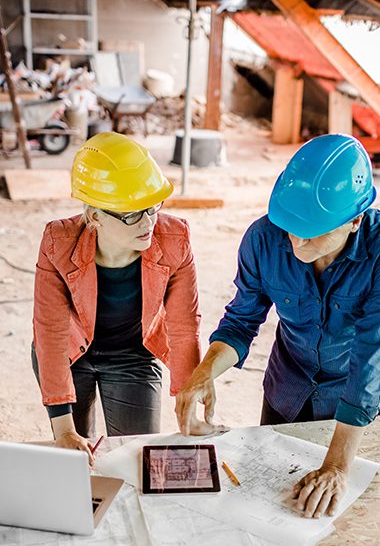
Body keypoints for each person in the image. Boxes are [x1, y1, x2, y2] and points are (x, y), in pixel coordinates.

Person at [175, 133, 380, 518]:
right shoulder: (263, 239)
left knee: (340, 511)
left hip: (357, 404)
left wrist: (338, 465)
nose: (297, 240)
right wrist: (205, 373)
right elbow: (241, 320)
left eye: (314, 229)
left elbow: (372, 358)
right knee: (271, 503)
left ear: (355, 220)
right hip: (288, 388)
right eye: (291, 225)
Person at [32, 132, 201, 464]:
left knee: (133, 458)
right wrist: (64, 431)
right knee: (76, 458)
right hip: (71, 352)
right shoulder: (58, 242)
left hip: (134, 357)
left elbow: (184, 327)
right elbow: (50, 332)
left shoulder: (175, 238)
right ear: (94, 216)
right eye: (132, 214)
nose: (149, 222)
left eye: (153, 207)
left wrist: (189, 404)